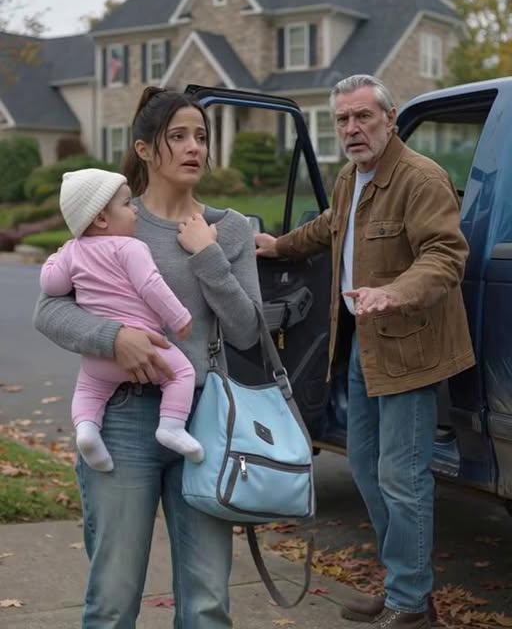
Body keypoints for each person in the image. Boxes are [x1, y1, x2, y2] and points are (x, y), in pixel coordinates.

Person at [33, 87, 261, 628]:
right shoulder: (110, 220)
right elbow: (48, 310)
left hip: (202, 420)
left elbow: (247, 330)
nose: (194, 147)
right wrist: (114, 338)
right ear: (143, 149)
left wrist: (208, 255)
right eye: (177, 137)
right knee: (112, 599)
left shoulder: (230, 228)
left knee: (207, 601)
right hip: (122, 420)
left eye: (201, 136)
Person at [255, 74, 475, 629]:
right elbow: (332, 227)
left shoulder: (420, 178)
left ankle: (409, 603)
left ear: (389, 118)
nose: (352, 128)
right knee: (365, 467)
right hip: (364, 345)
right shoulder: (351, 177)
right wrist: (278, 246)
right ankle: (406, 585)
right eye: (343, 120)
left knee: (402, 476)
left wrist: (394, 292)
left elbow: (446, 255)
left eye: (363, 116)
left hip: (411, 348)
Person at [39, 168, 202, 472]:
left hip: (99, 358)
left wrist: (55, 257)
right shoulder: (131, 247)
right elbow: (151, 286)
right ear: (102, 219)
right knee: (182, 374)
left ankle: (87, 431)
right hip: (147, 349)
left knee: (88, 392)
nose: (135, 210)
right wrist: (179, 318)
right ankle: (171, 426)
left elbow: (52, 285)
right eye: (127, 204)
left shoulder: (72, 251)